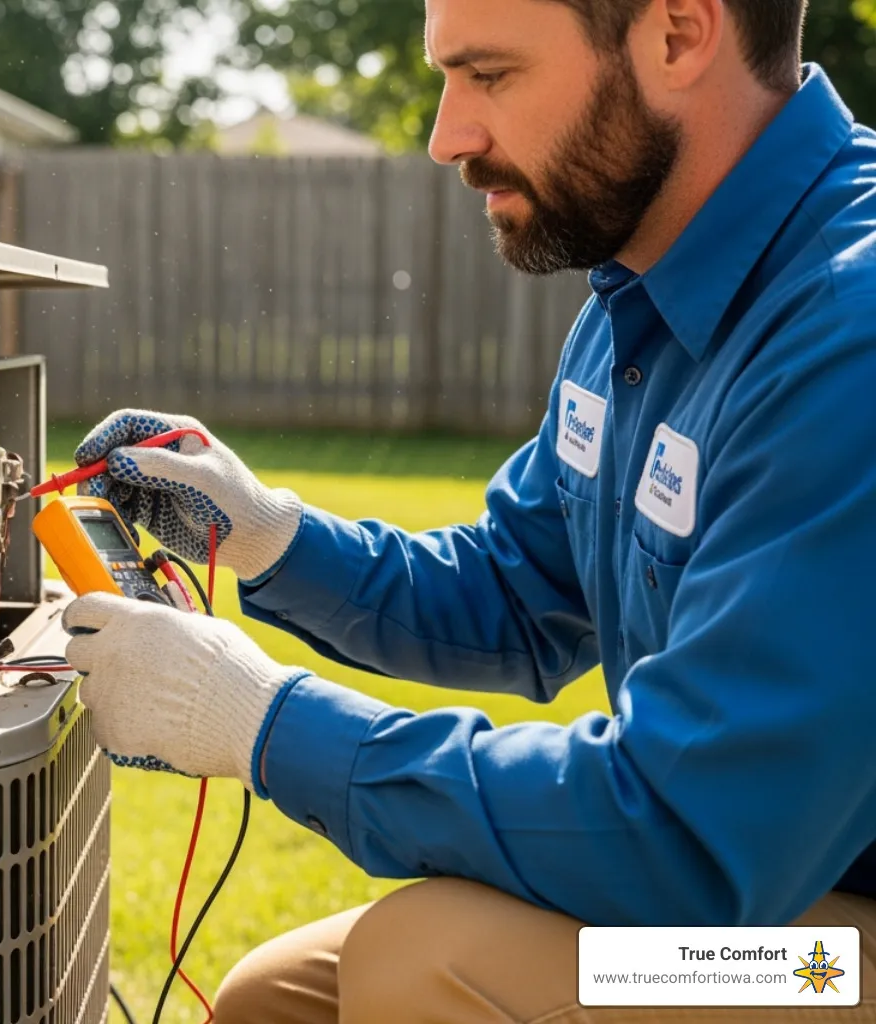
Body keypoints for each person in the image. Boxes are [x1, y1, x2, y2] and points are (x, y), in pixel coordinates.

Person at [61, 0, 876, 1020]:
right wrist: (269, 535)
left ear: (677, 33)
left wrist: (260, 721)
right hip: (757, 887)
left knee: (426, 963)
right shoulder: (640, 296)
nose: (448, 135)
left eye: (489, 75)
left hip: (822, 948)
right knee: (275, 998)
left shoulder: (851, 328)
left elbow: (682, 830)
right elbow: (514, 587)